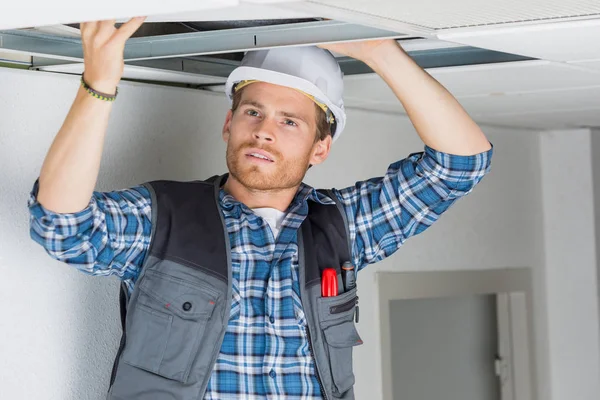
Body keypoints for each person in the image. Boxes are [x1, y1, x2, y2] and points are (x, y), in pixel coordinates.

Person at [28, 17, 492, 400]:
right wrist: (100, 84)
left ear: (320, 148)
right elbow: (61, 225)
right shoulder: (164, 220)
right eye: (253, 112)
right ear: (229, 123)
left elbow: (460, 165)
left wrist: (380, 51)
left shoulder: (343, 227)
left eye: (289, 121)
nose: (264, 131)